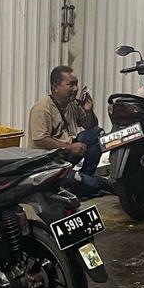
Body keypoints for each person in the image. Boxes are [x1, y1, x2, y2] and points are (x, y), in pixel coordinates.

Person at [28, 66, 109, 196]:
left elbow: (91, 126)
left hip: (65, 155)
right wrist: (70, 147)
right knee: (87, 183)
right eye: (71, 85)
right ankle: (89, 182)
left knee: (97, 134)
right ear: (55, 87)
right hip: (47, 164)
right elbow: (40, 140)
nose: (75, 89)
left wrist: (88, 111)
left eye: (76, 84)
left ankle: (86, 176)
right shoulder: (42, 108)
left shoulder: (72, 104)